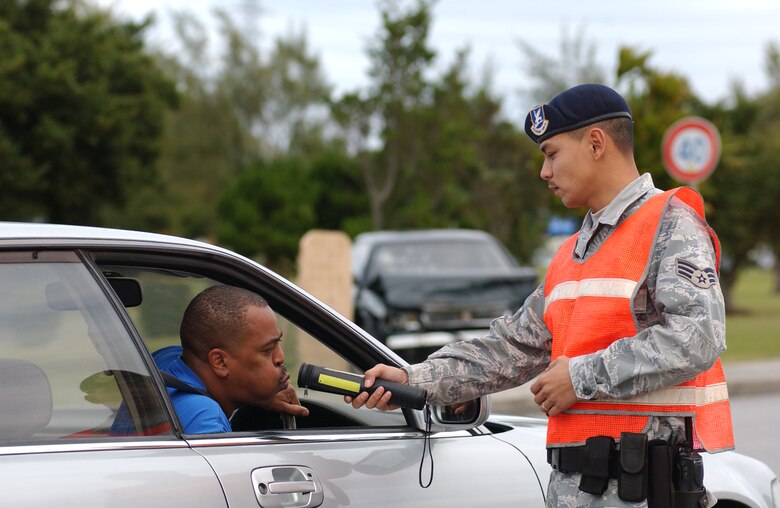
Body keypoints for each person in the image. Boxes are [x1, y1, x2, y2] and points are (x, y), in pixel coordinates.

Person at [347, 84, 734, 507]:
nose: (544, 172)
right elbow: (509, 347)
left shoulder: (670, 224)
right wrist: (412, 379)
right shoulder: (574, 252)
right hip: (577, 490)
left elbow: (699, 336)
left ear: (595, 143)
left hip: (644, 490)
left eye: (551, 153)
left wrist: (581, 378)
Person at [154, 285, 309, 433]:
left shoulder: (165, 359)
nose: (280, 358)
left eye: (278, 342)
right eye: (267, 350)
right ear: (220, 362)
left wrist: (260, 396)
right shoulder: (206, 421)